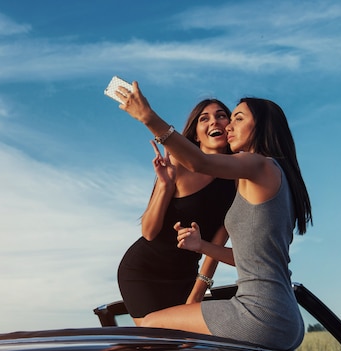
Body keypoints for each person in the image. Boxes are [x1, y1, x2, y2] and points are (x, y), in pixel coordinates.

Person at [115, 82, 312, 351]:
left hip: (258, 313)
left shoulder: (259, 165)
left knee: (152, 327)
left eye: (237, 118)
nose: (228, 125)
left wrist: (147, 117)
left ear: (263, 126)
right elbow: (250, 259)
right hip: (288, 319)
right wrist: (202, 246)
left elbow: (200, 162)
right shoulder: (269, 180)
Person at [117, 99, 236, 326]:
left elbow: (217, 247)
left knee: (181, 343)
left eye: (221, 115)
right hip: (143, 271)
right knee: (158, 342)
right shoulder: (177, 164)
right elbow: (149, 232)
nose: (214, 121)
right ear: (197, 135)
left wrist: (197, 293)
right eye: (204, 118)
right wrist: (165, 185)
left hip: (185, 276)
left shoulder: (237, 181)